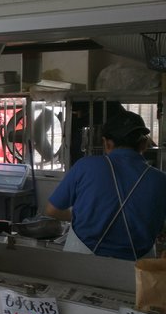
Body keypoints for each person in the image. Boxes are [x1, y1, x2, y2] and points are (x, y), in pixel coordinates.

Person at [46, 110, 166, 260]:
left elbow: (52, 210)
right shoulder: (160, 180)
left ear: (106, 143)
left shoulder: (85, 166)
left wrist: (82, 216)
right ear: (144, 145)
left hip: (81, 262)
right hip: (138, 269)